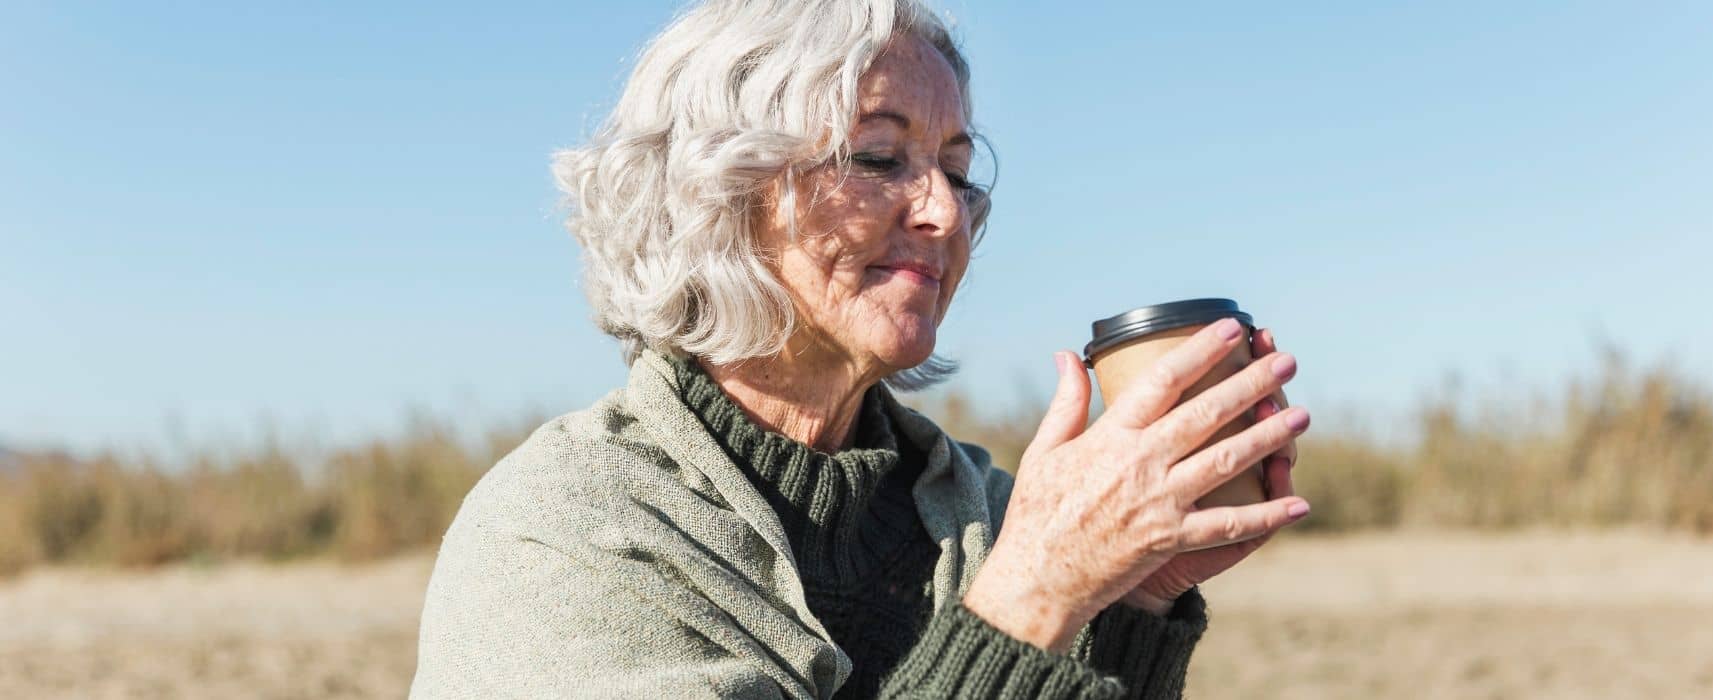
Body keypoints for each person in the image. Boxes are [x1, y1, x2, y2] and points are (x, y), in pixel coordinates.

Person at [411, 1, 1309, 697]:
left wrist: (1136, 600)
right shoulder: (570, 531)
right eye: (879, 157)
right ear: (721, 191)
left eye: (958, 171)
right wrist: (1034, 597)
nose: (946, 212)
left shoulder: (984, 518)